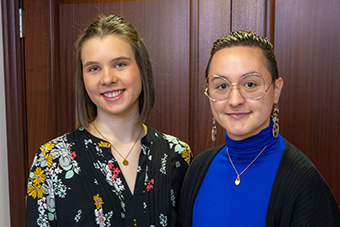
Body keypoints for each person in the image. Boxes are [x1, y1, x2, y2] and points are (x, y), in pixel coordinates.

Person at [26, 14, 192, 227]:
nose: (108, 79)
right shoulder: (50, 161)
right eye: (94, 68)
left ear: (141, 68)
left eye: (120, 64)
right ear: (83, 79)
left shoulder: (177, 154)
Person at [180, 31, 340, 226]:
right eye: (221, 86)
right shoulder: (198, 169)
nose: (235, 100)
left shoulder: (304, 182)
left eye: (250, 84)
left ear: (276, 90)